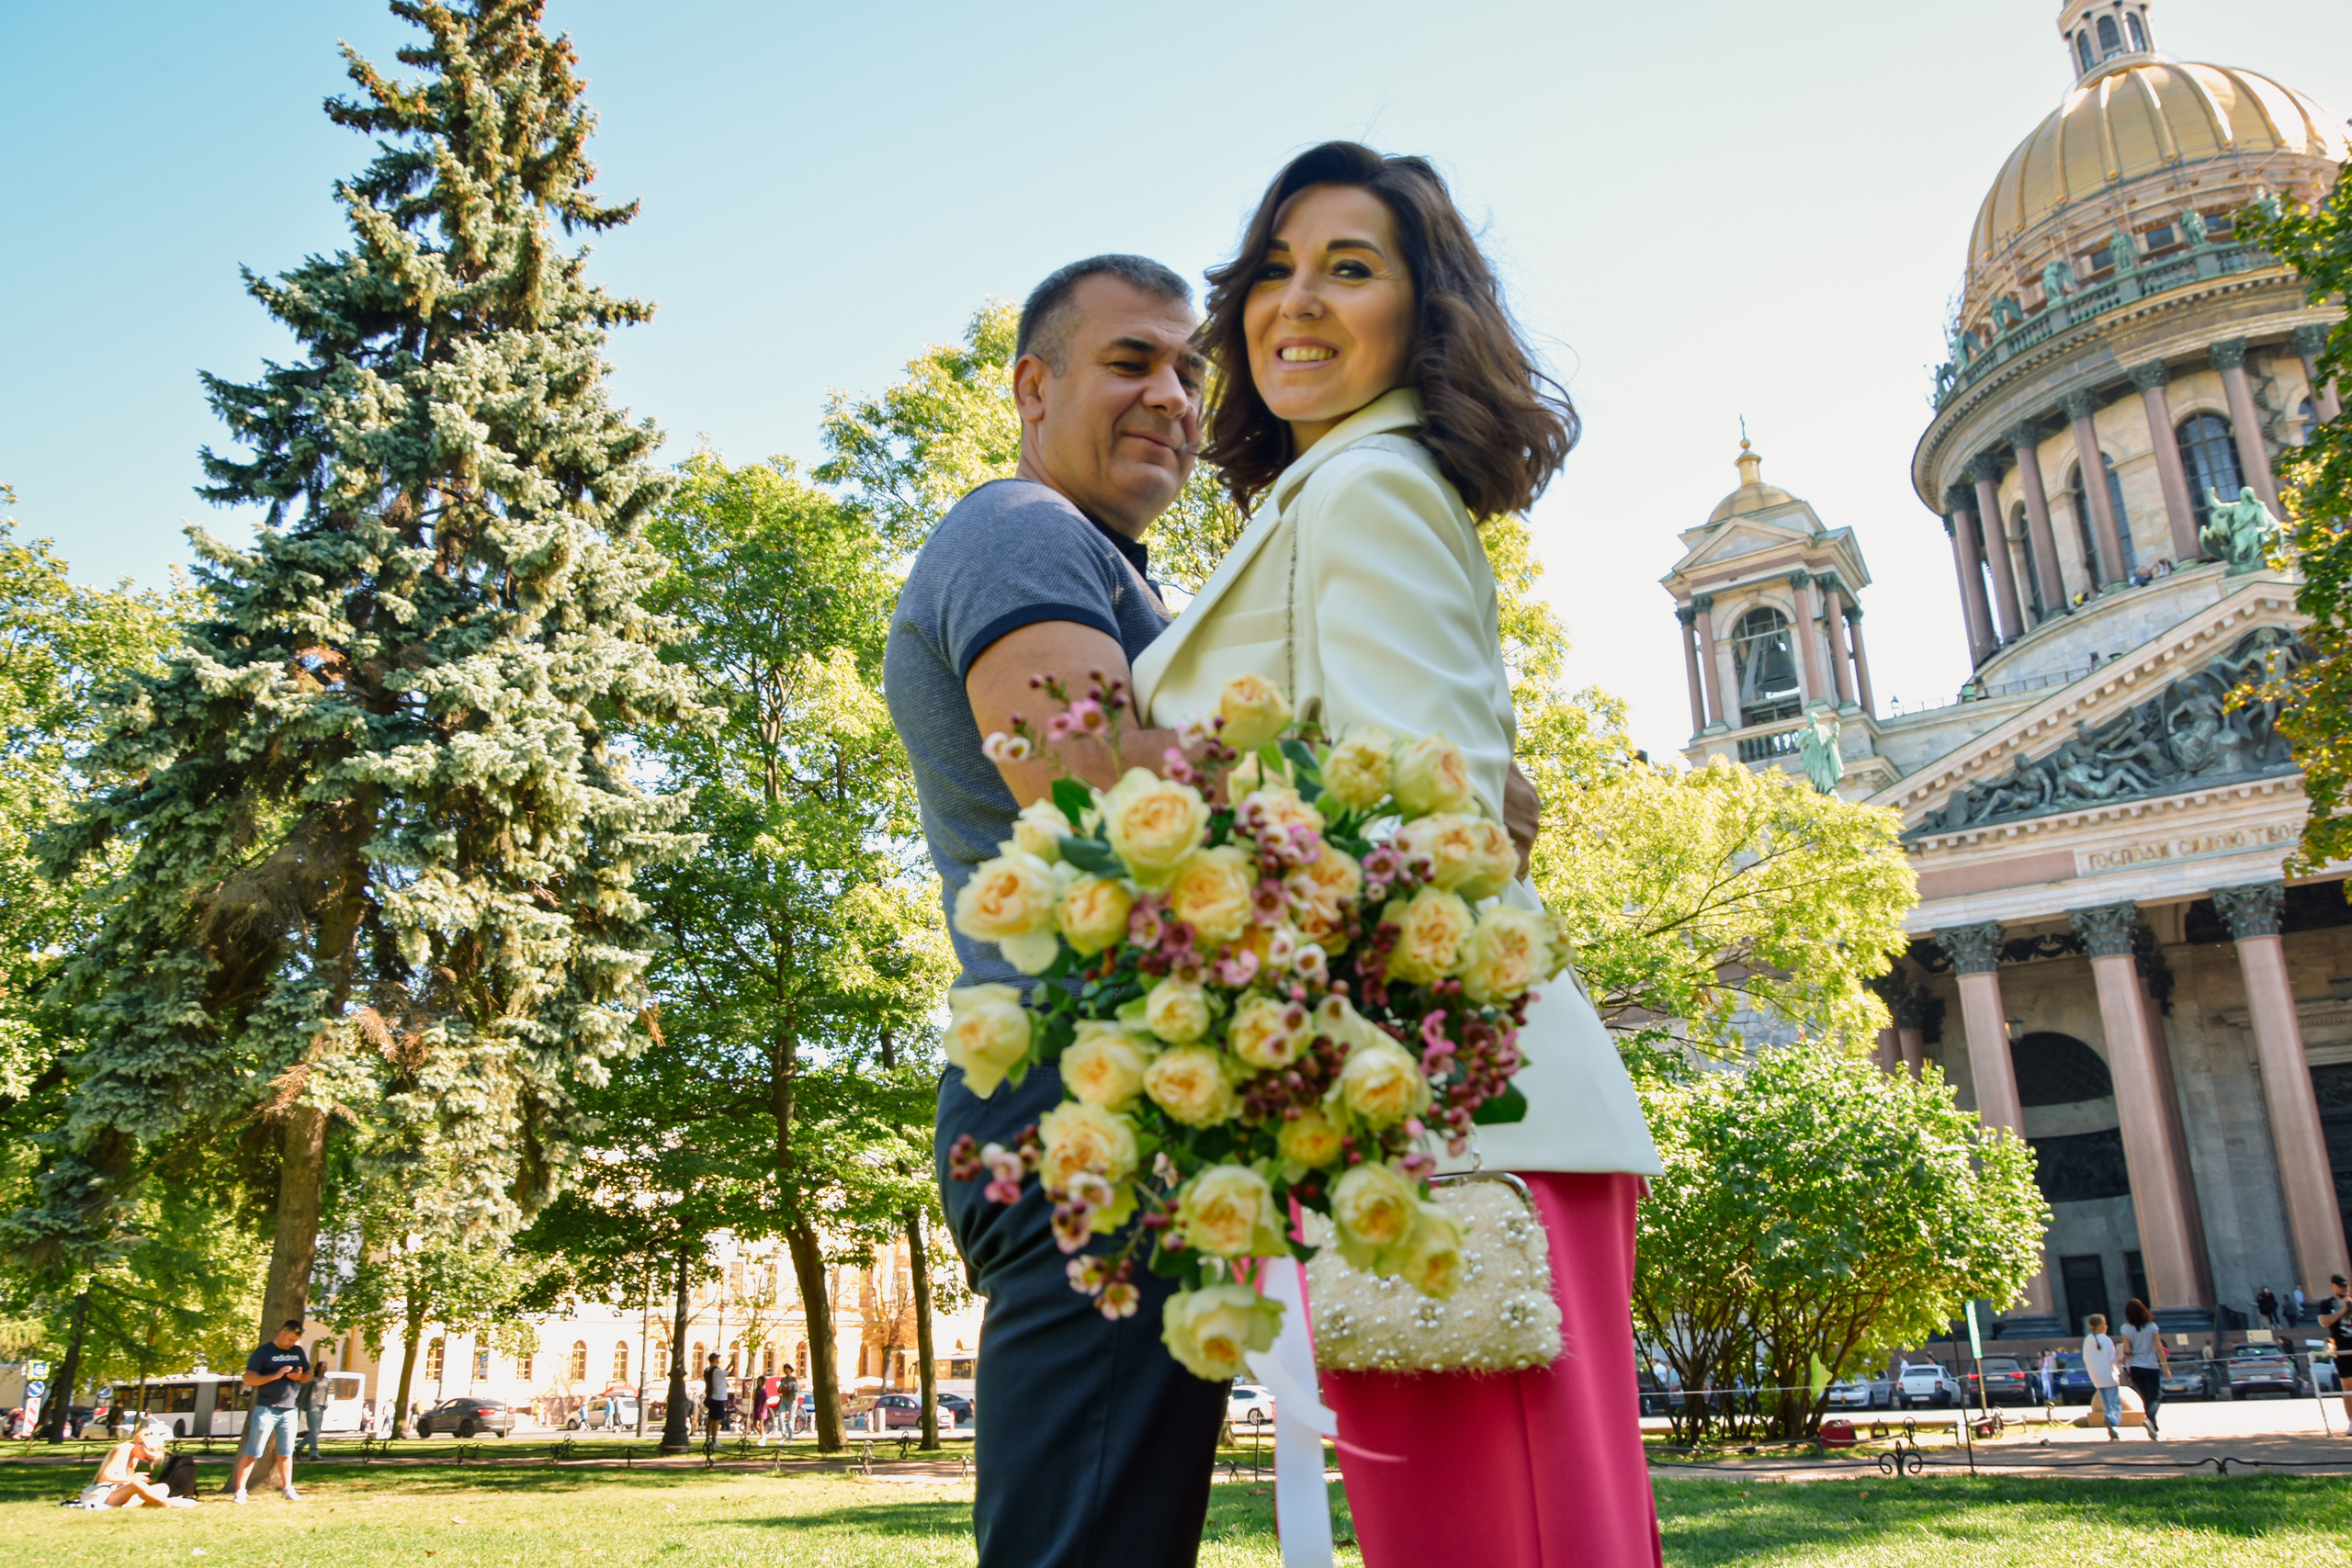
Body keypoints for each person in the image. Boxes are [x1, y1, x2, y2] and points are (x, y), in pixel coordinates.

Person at [1134, 141, 1663, 1568]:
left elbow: (1426, 837)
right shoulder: (1326, 498)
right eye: (1273, 269)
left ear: (1421, 315)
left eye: (1348, 269)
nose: (1293, 302)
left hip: (1450, 1139)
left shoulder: (1366, 491)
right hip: (1410, 1123)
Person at [232, 1318, 311, 1503]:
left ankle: (287, 1488)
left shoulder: (297, 1352)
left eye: (295, 1341)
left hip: (290, 1410)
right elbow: (249, 1379)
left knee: (286, 1452)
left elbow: (308, 1375)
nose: (292, 1344)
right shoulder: (264, 1352)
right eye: (290, 1340)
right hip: (266, 1409)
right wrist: (275, 1376)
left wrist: (299, 1376)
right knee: (253, 1451)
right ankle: (240, 1491)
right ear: (281, 1333)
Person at [79, 1422, 197, 1508]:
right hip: (101, 1495)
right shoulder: (123, 1449)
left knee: (163, 1487)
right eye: (146, 1457)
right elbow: (104, 1476)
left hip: (117, 1493)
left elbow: (126, 1482)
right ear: (140, 1447)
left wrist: (132, 1479)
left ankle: (150, 1502)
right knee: (137, 1484)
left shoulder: (134, 1457)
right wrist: (131, 1479)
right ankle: (166, 1503)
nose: (145, 1461)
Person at [2120, 1299, 2166, 1440]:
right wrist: (2166, 1367)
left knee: (2146, 1398)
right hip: (2151, 1366)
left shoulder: (2125, 1329)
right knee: (2155, 1397)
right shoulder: (2152, 1327)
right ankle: (2150, 1420)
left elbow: (2127, 1350)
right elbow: (2159, 1348)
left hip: (2135, 1366)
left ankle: (2154, 1429)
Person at [2082, 1314, 2123, 1441]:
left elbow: (2086, 1358)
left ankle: (2109, 1418)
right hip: (2109, 1375)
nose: (2106, 1326)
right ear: (2100, 1326)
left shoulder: (2088, 1340)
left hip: (2096, 1376)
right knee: (2115, 1402)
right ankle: (2113, 1420)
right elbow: (2113, 1359)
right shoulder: (2106, 1340)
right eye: (2104, 1323)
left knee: (2106, 1402)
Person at [2320, 1273, 2352, 1432]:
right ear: (2333, 1286)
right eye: (2341, 1286)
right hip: (2342, 1347)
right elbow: (2324, 1321)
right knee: (2347, 1387)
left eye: (2346, 1285)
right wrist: (2343, 1310)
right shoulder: (2327, 1303)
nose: (2345, 1288)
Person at [701, 1355, 727, 1455]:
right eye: (717, 1359)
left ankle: (708, 1439)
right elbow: (727, 1372)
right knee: (716, 1420)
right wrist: (732, 1364)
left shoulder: (708, 1371)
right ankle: (714, 1440)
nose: (719, 1361)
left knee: (711, 1419)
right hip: (718, 1398)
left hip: (712, 1397)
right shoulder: (716, 1371)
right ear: (715, 1360)